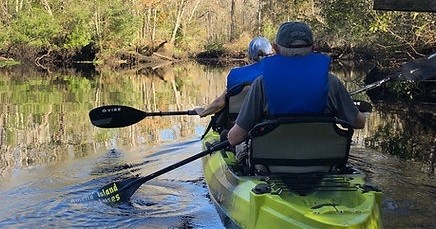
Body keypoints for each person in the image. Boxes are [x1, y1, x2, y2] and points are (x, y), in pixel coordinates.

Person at [227, 21, 366, 147]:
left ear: (276, 49)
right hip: (323, 165)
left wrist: (228, 136)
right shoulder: (332, 82)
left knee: (238, 145)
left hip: (270, 166)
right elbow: (359, 123)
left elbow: (235, 138)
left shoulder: (262, 84)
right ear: (313, 48)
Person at [194, 36, 273, 117]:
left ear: (249, 56)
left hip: (238, 123)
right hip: (267, 123)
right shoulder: (277, 74)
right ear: (271, 54)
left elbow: (220, 103)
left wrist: (203, 112)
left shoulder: (234, 74)